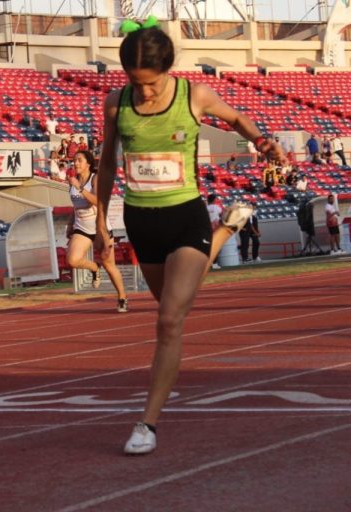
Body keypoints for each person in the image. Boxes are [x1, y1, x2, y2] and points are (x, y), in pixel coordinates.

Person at [93, 16, 286, 455]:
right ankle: (224, 233)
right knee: (172, 309)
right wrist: (103, 223)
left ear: (168, 71)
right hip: (143, 222)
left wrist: (261, 140)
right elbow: (107, 165)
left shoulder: (193, 95)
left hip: (185, 216)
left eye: (151, 84)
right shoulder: (115, 103)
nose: (144, 91)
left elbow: (235, 117)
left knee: (168, 322)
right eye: (135, 83)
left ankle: (147, 424)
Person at [66, 150, 127, 312]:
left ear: (88, 163)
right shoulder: (73, 181)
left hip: (100, 227)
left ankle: (122, 297)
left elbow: (97, 200)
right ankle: (94, 268)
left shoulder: (95, 179)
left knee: (109, 265)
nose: (76, 163)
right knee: (72, 260)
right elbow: (75, 206)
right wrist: (69, 224)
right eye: (74, 160)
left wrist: (79, 188)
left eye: (79, 160)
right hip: (82, 226)